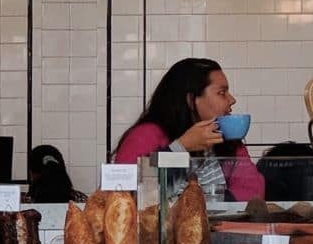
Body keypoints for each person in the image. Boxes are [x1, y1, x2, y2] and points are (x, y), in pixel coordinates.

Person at [113, 57, 265, 201]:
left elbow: (253, 189)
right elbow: (124, 194)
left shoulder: (227, 139)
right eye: (221, 93)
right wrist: (181, 147)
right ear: (191, 100)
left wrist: (206, 207)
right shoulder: (146, 135)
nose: (232, 100)